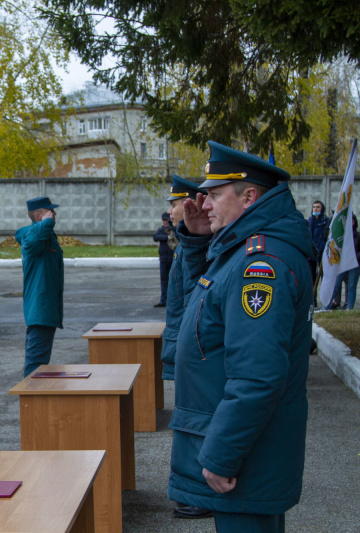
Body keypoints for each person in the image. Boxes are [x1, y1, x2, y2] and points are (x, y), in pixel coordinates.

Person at [169, 141, 314, 532]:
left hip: (247, 458)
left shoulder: (260, 265)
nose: (204, 203)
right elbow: (199, 313)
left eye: (215, 194)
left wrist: (219, 456)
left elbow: (257, 376)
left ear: (249, 197)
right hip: (244, 449)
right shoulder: (239, 249)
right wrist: (198, 240)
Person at [160, 175, 213, 520]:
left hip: (195, 345)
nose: (170, 209)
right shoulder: (187, 242)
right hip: (184, 342)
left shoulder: (201, 243)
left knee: (201, 418)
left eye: (174, 202)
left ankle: (203, 489)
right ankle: (194, 486)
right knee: (189, 417)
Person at [14, 196, 63, 377]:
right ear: (38, 215)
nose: (54, 214)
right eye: (50, 211)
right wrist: (46, 223)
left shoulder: (45, 235)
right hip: (40, 309)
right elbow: (31, 243)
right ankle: (29, 404)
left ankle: (36, 402)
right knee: (35, 365)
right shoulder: (32, 236)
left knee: (40, 363)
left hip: (47, 309)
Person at [325, 213, 359, 310]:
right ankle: (326, 305)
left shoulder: (358, 235)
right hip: (342, 264)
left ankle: (350, 306)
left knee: (352, 285)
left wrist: (355, 256)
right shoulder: (341, 236)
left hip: (354, 264)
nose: (350, 223)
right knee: (336, 284)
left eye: (352, 221)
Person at [308, 200, 331, 304]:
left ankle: (325, 301)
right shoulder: (310, 221)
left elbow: (325, 238)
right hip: (312, 253)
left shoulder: (326, 221)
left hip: (322, 253)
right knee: (311, 278)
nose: (315, 209)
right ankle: (313, 300)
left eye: (318, 207)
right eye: (314, 207)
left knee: (323, 277)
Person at [152, 212, 174, 307]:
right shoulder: (161, 230)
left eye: (166, 220)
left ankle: (172, 300)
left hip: (172, 258)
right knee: (164, 281)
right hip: (164, 259)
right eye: (164, 220)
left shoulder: (174, 229)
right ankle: (163, 300)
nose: (165, 222)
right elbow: (156, 237)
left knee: (174, 281)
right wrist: (167, 237)